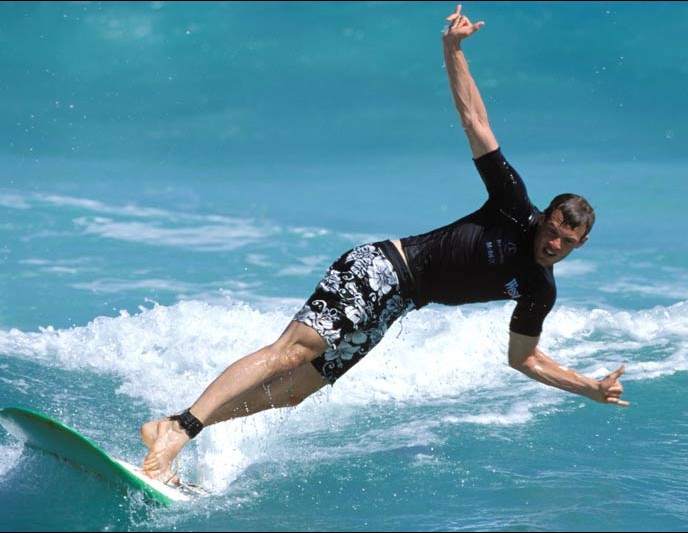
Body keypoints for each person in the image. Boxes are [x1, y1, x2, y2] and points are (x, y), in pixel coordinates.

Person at [141, 4, 629, 484]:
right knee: (292, 351)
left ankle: (172, 425)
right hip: (381, 268)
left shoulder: (538, 288)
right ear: (544, 217)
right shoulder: (512, 205)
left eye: (566, 242)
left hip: (396, 305)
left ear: (578, 246)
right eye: (551, 231)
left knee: (294, 390)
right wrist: (452, 47)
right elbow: (476, 123)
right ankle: (180, 433)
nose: (553, 244)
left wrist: (588, 387)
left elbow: (524, 358)